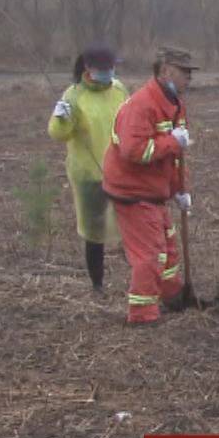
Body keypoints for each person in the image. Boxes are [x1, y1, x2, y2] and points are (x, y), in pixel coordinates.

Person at [100, 46, 197, 325]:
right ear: (165, 71)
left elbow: (175, 157)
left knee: (167, 247)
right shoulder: (142, 105)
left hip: (154, 191)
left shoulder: (174, 103)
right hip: (133, 192)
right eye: (184, 72)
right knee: (150, 254)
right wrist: (172, 142)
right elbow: (135, 151)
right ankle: (143, 315)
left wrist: (180, 190)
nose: (188, 78)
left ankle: (173, 296)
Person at [47, 45, 129, 293]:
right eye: (103, 69)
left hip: (121, 170)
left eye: (111, 68)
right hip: (88, 174)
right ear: (88, 69)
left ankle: (142, 278)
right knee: (94, 232)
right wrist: (61, 118)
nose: (108, 72)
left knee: (131, 224)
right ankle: (97, 284)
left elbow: (130, 120)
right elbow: (58, 134)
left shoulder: (119, 89)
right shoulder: (73, 95)